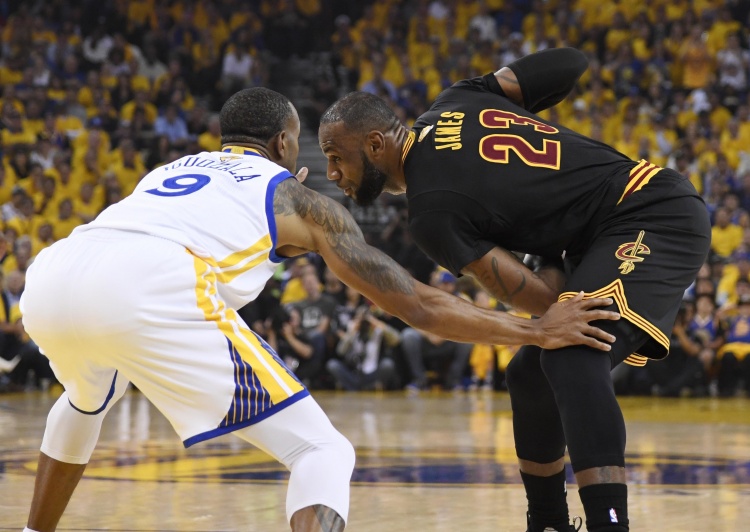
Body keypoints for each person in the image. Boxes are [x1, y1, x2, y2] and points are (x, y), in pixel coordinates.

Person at [19, 86, 618, 532]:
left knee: (86, 398)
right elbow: (416, 304)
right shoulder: (299, 199)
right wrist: (536, 331)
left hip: (56, 274)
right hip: (148, 284)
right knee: (322, 451)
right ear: (285, 143)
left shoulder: (169, 171)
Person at [317, 47, 711, 532]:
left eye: (337, 158)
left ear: (376, 144)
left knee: (571, 354)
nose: (333, 175)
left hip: (649, 213)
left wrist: (548, 261)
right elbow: (571, 62)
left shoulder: (431, 212)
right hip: (608, 225)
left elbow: (543, 304)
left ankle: (611, 524)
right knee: (529, 373)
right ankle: (546, 522)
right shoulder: (456, 99)